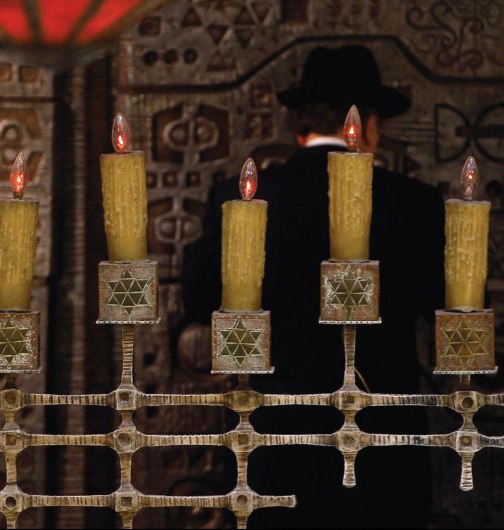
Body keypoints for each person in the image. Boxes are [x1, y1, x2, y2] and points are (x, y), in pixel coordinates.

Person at [182, 45, 444, 528]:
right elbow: (449, 313)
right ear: (369, 125)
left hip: (274, 432)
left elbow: (198, 299)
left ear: (298, 124)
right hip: (383, 437)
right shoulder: (416, 203)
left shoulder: (244, 199)